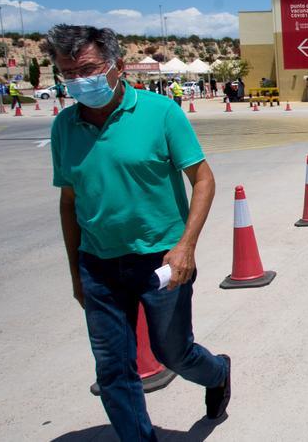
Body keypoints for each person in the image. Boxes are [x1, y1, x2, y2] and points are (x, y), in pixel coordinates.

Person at [45, 25, 230, 441]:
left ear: (117, 66)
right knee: (113, 369)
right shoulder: (64, 127)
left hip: (162, 260)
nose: (79, 80)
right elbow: (69, 202)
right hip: (98, 266)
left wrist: (186, 246)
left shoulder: (160, 112)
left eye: (88, 69)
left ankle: (217, 372)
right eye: (68, 72)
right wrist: (77, 274)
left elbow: (202, 179)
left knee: (173, 352)